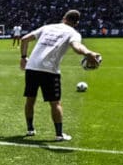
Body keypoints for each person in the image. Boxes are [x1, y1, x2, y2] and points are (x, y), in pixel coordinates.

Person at [19, 9, 101, 142]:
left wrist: (23, 57)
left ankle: (30, 129)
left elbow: (24, 39)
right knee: (55, 103)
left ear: (64, 18)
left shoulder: (48, 27)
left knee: (30, 99)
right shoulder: (73, 33)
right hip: (49, 70)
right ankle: (59, 135)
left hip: (32, 67)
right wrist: (88, 53)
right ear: (76, 23)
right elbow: (76, 47)